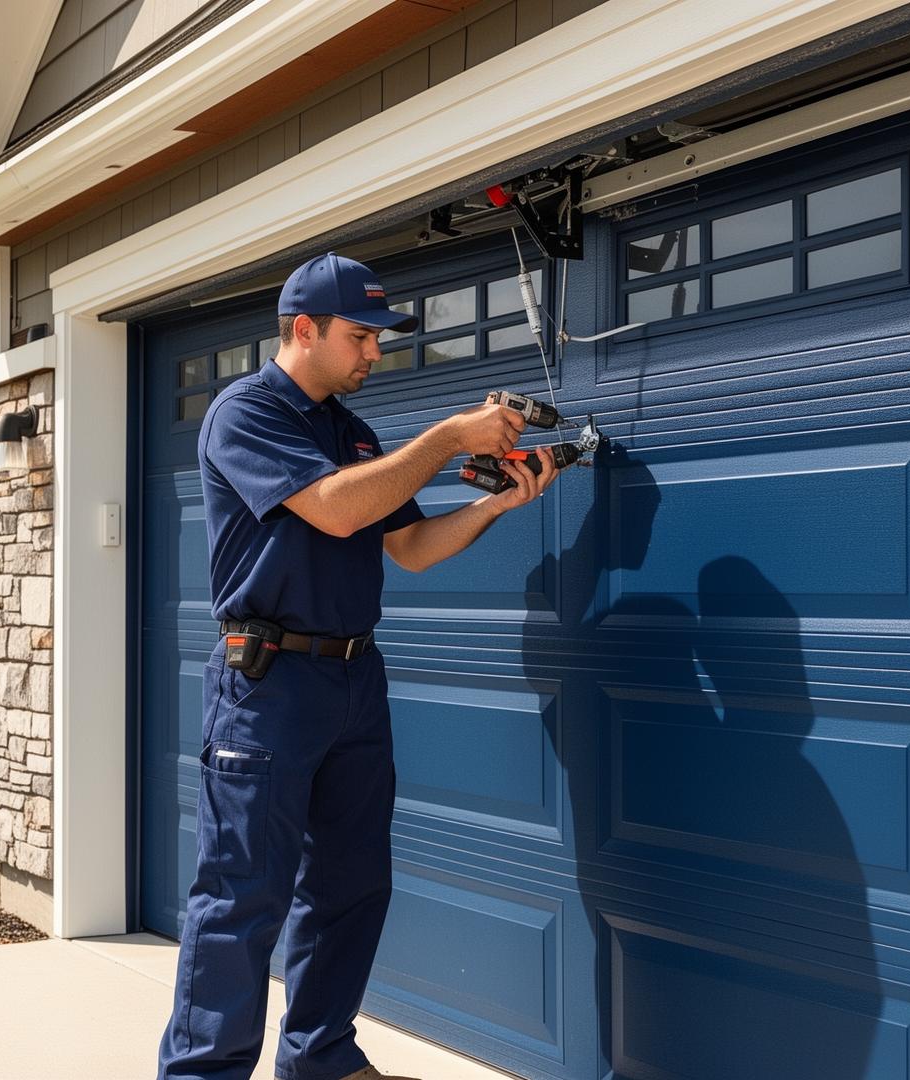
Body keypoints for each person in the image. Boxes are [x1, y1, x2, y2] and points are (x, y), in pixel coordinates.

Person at [158, 252, 560, 1080]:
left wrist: (494, 502)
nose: (374, 353)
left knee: (350, 886)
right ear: (302, 330)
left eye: (378, 338)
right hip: (267, 683)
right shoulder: (244, 412)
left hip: (352, 681)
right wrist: (449, 435)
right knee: (241, 897)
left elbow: (408, 547)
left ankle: (321, 1057)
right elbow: (336, 509)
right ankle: (201, 1071)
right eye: (360, 336)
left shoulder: (355, 433)